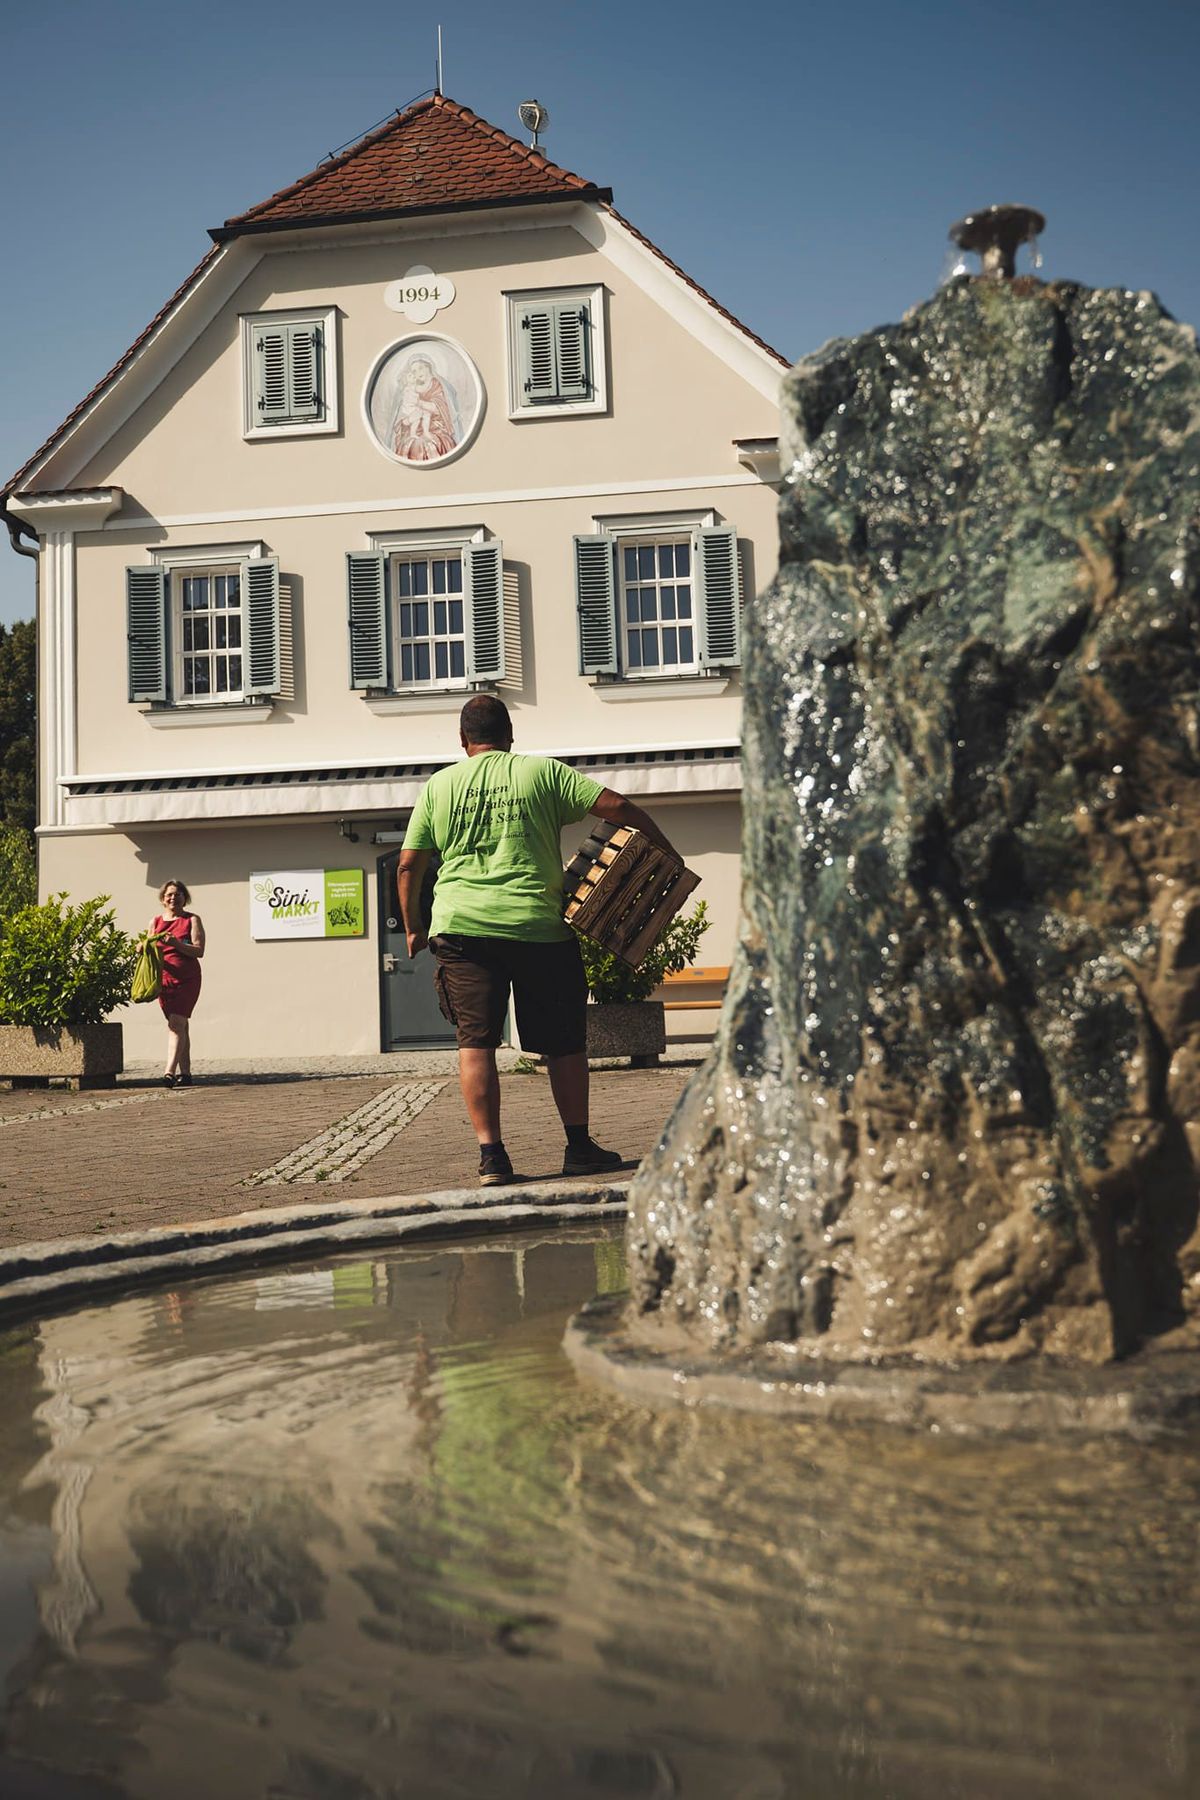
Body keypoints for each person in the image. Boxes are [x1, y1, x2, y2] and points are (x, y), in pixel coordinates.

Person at [397, 695, 680, 1186]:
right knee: (564, 1044)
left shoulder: (438, 787)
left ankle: (493, 1158)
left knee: (476, 1044)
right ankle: (578, 1148)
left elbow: (408, 865)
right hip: (539, 928)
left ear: (463, 741)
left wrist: (413, 925)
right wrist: (665, 848)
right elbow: (617, 806)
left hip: (462, 929)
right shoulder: (540, 773)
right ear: (510, 735)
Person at [150, 879, 205, 1088]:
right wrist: (141, 947)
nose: (174, 897)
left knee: (176, 1024)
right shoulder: (154, 922)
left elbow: (199, 950)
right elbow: (150, 947)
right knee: (180, 1025)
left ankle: (169, 1072)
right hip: (164, 980)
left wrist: (176, 944)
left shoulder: (192, 920)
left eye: (178, 894)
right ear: (163, 899)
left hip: (187, 979)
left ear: (185, 898)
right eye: (170, 894)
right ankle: (187, 1073)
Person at [391, 354, 459, 462]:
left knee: (427, 444)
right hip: (414, 429)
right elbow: (402, 419)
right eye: (414, 371)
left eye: (420, 368)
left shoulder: (436, 385)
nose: (418, 373)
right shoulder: (410, 387)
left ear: (429, 367)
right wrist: (409, 419)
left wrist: (418, 402)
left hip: (436, 428)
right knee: (411, 444)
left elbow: (440, 408)